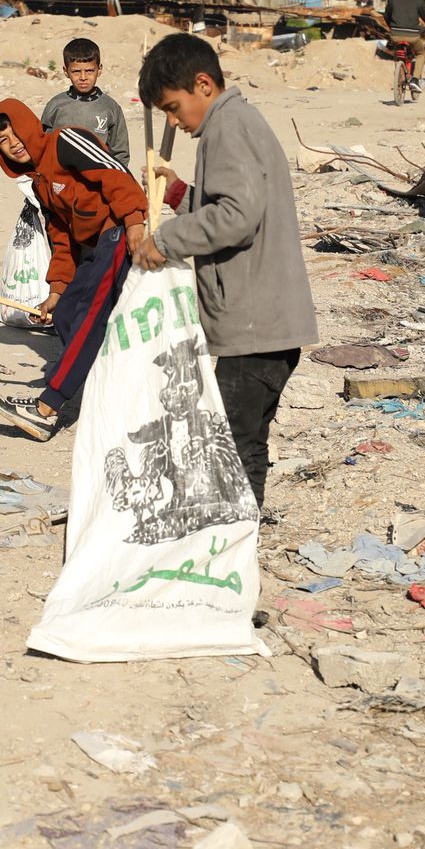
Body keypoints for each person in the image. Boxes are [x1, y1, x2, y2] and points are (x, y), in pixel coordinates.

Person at [131, 34, 317, 505]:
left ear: (203, 84)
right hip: (267, 322)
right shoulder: (238, 120)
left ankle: (234, 550)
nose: (175, 121)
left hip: (254, 323)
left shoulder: (226, 126)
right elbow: (233, 202)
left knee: (232, 447)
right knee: (246, 442)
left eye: (174, 108)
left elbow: (236, 217)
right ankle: (244, 540)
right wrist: (178, 196)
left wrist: (165, 240)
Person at [0, 99, 149, 441]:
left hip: (117, 233)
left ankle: (47, 408)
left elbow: (115, 173)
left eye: (16, 133)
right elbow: (61, 237)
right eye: (3, 141)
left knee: (90, 318)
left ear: (29, 126)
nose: (14, 144)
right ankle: (116, 393)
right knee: (68, 314)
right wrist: (57, 290)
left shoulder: (65, 141)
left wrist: (134, 221)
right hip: (94, 249)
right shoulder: (40, 184)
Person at [39, 38, 131, 171]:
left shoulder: (110, 108)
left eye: (89, 71)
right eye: (76, 71)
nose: (83, 77)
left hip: (98, 180)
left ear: (99, 70)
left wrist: (113, 179)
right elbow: (43, 146)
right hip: (61, 179)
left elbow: (120, 153)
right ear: (66, 71)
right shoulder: (55, 106)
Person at [384, 0, 425, 85]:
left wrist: (392, 27)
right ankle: (415, 79)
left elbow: (386, 15)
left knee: (397, 53)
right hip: (412, 35)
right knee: (421, 54)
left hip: (395, 35)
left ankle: (400, 75)